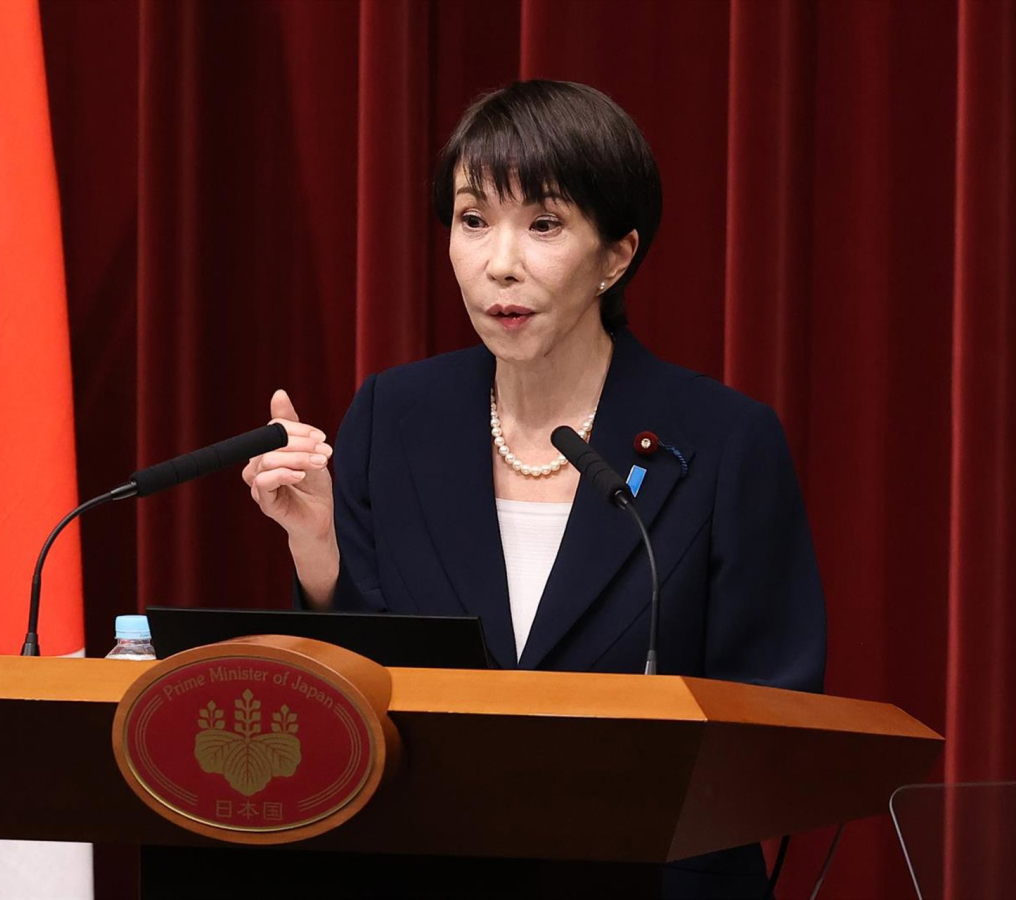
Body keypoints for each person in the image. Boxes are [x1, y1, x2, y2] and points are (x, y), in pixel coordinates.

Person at [243, 80, 826, 899]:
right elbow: (362, 696)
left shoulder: (723, 441)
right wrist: (318, 553)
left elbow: (774, 716)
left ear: (616, 255)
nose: (500, 263)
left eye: (544, 224)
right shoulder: (396, 416)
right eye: (473, 219)